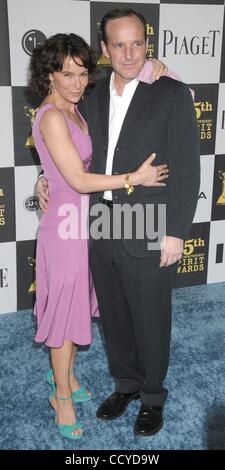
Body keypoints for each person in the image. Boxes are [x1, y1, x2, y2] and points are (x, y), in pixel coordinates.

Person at [37, 8, 200, 437]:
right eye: (119, 45)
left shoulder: (172, 92)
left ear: (147, 44)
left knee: (150, 316)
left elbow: (187, 169)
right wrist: (42, 177)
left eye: (137, 44)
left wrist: (177, 233)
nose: (129, 54)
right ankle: (125, 384)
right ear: (104, 50)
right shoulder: (86, 95)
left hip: (148, 221)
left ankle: (152, 395)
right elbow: (71, 151)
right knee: (113, 315)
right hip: (98, 221)